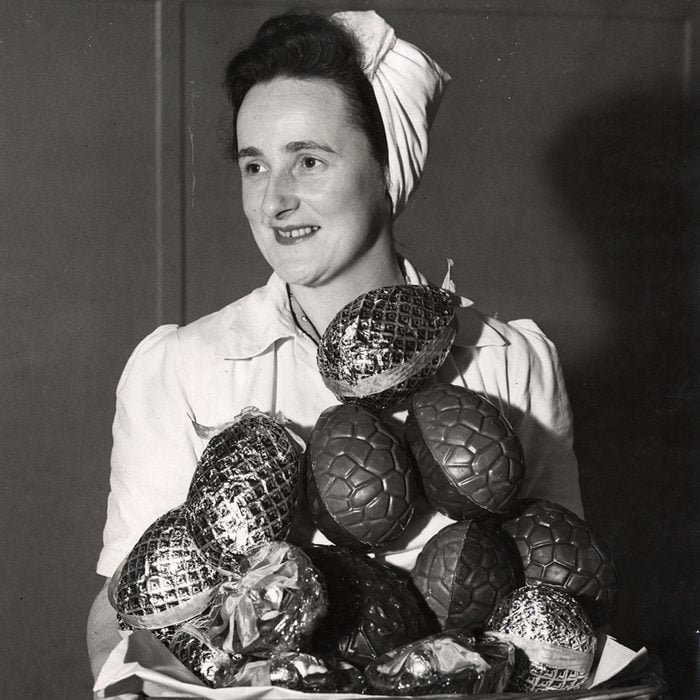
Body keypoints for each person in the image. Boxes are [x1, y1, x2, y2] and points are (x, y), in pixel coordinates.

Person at [87, 8, 583, 692]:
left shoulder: (509, 359)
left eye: (309, 161)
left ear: (385, 169)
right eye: (254, 165)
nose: (274, 201)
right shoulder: (181, 369)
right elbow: (123, 621)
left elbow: (568, 602)